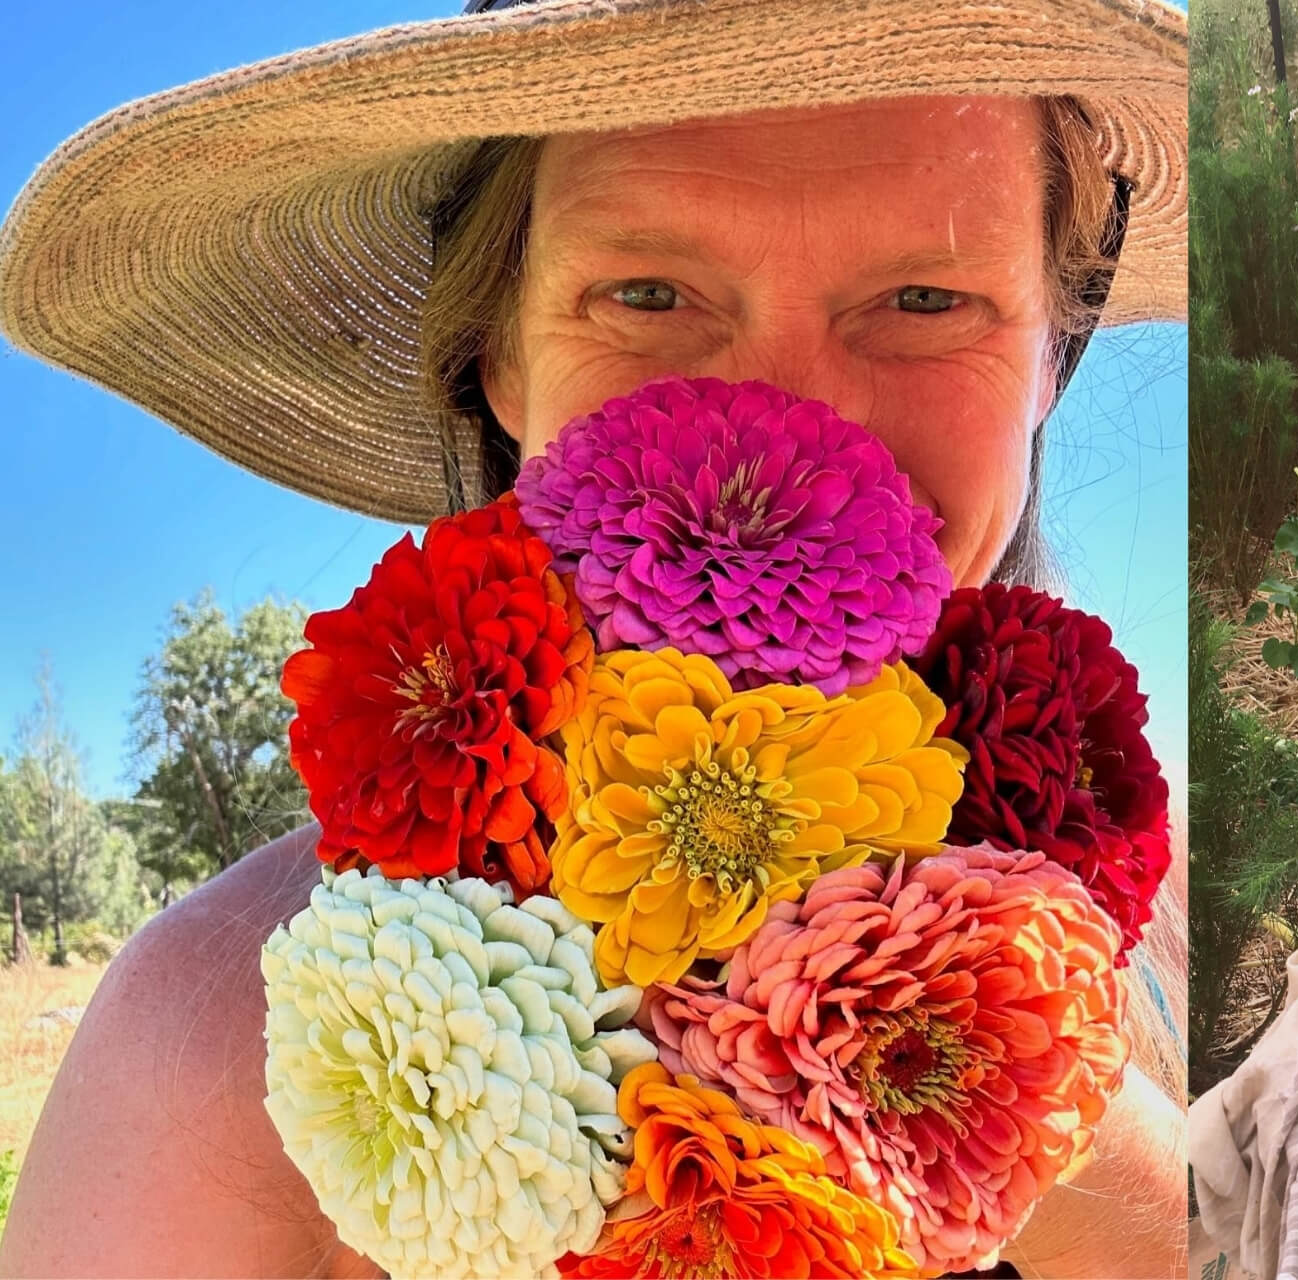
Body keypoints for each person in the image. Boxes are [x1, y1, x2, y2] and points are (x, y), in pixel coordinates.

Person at [0, 1, 1188, 1275]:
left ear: (1050, 359)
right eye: (648, 293)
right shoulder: (206, 1055)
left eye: (927, 297)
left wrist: (1043, 1105)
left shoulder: (1190, 936)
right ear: (498, 356)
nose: (794, 425)